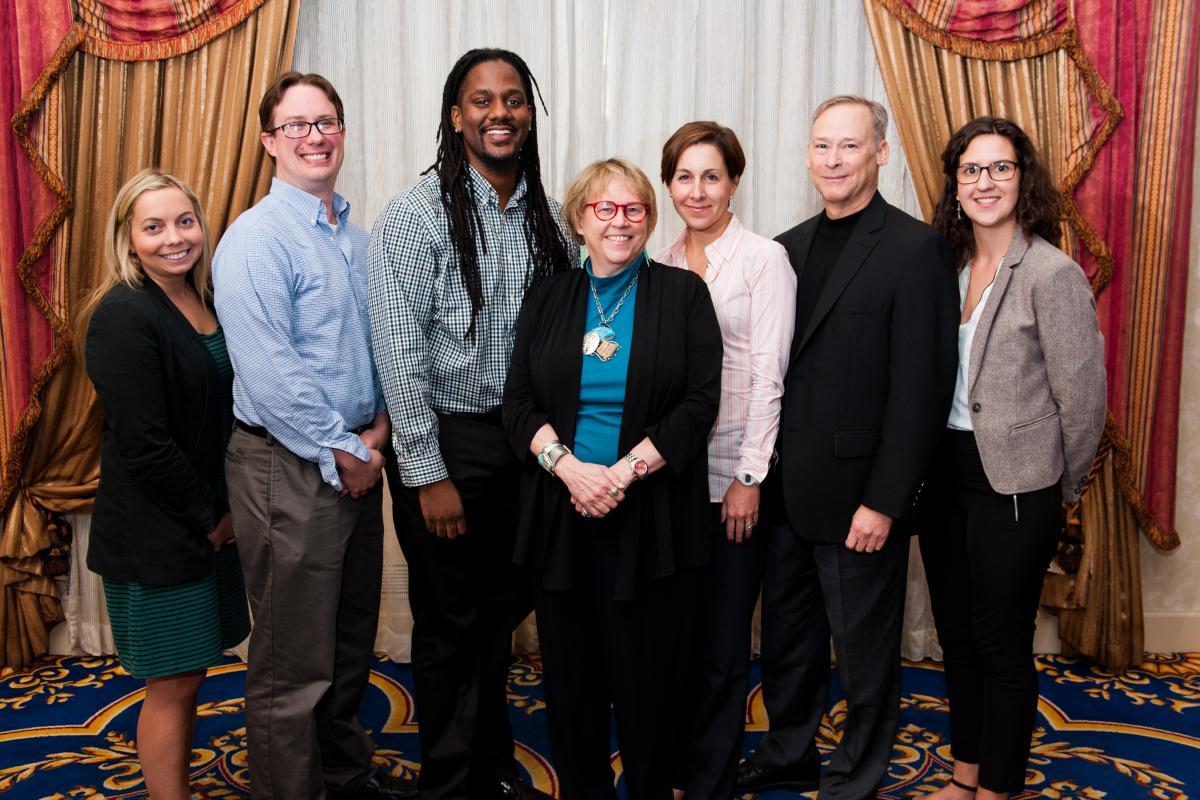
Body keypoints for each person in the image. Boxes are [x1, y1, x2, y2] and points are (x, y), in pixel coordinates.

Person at [737, 96, 959, 800]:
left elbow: (920, 393)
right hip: (786, 492)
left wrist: (885, 501)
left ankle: (858, 776)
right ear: (808, 157)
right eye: (823, 147)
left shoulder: (915, 248)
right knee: (788, 646)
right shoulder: (787, 247)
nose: (834, 160)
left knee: (864, 658)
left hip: (861, 498)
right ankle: (789, 751)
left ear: (881, 153)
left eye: (850, 146)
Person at [368, 48, 574, 800]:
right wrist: (426, 472)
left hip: (529, 445)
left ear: (529, 113)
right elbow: (396, 346)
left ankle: (488, 762)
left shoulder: (552, 217)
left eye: (514, 99)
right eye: (482, 100)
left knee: (499, 613)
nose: (500, 113)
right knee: (452, 621)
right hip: (448, 441)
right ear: (456, 117)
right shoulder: (414, 216)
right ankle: (452, 783)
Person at [213, 71, 408, 800]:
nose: (316, 135)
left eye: (327, 121)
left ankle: (343, 778)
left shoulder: (355, 239)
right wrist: (353, 450)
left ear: (343, 133)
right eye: (297, 125)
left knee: (348, 645)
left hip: (358, 455)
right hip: (290, 467)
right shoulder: (256, 240)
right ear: (269, 141)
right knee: (293, 663)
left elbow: (376, 343)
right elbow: (274, 378)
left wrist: (379, 428)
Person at [502, 157, 722, 800]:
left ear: (650, 220)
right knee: (570, 682)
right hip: (561, 513)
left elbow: (699, 404)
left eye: (634, 209)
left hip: (651, 519)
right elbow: (518, 404)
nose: (619, 222)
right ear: (579, 220)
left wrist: (620, 475)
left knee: (651, 680)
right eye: (605, 209)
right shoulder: (549, 296)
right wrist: (570, 470)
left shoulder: (683, 295)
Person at [918, 117, 1106, 800]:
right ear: (955, 184)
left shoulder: (1051, 273)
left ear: (1022, 179)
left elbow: (1083, 402)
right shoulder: (945, 264)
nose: (985, 182)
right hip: (943, 475)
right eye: (972, 170)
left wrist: (1062, 485)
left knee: (1000, 641)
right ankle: (964, 776)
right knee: (957, 638)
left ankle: (998, 787)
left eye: (999, 168)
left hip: (1020, 486)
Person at [82, 168, 250, 800]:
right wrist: (213, 515)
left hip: (206, 520)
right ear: (128, 240)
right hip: (160, 532)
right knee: (171, 684)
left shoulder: (201, 297)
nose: (174, 238)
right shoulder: (122, 314)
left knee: (190, 673)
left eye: (185, 221)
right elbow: (143, 445)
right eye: (153, 227)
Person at [654, 121, 795, 799]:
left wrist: (748, 477)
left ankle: (707, 782)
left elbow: (770, 377)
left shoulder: (764, 260)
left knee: (721, 642)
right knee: (672, 637)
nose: (698, 190)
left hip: (731, 480)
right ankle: (675, 768)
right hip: (667, 481)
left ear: (734, 181)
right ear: (668, 184)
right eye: (684, 176)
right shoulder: (659, 263)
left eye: (712, 175)